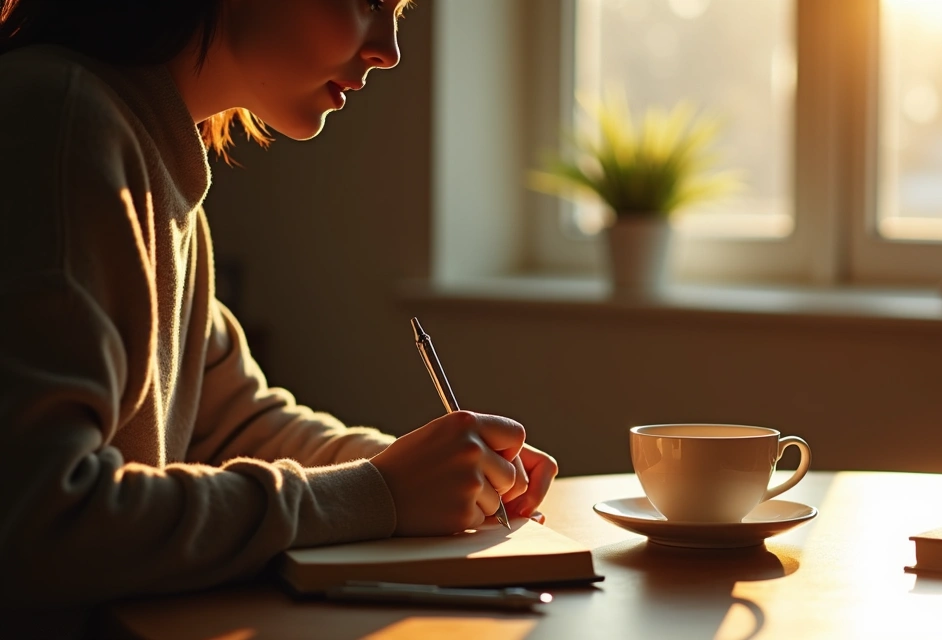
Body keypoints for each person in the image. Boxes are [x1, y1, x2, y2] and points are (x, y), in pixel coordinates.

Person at [0, 0, 559, 623]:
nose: (390, 51)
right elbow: (40, 521)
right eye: (371, 1)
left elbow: (236, 425)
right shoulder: (58, 122)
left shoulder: (152, 158)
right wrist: (380, 493)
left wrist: (434, 472)